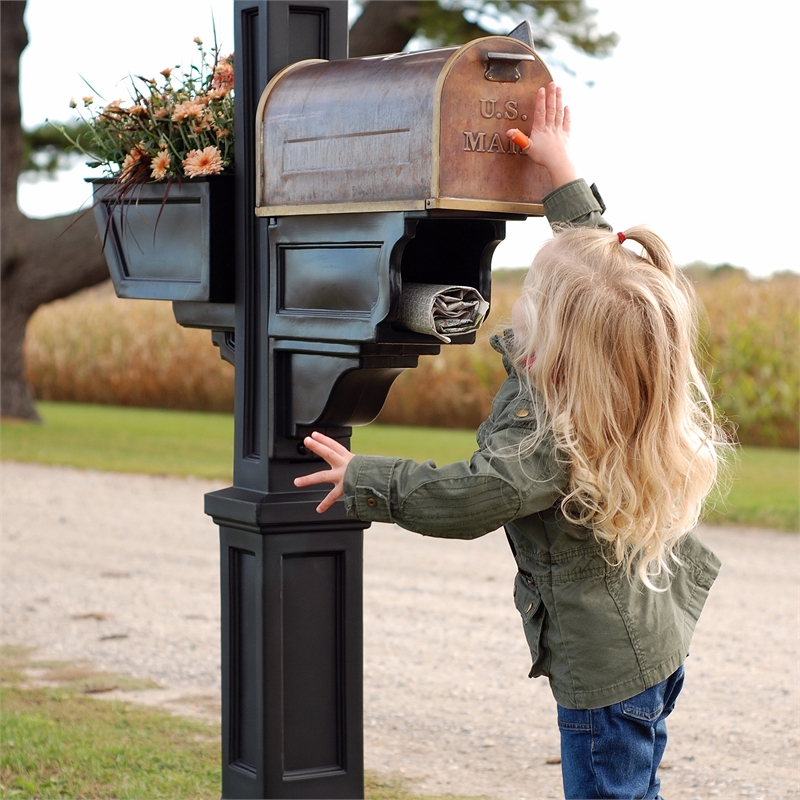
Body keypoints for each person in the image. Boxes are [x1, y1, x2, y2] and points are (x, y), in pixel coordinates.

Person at [294, 82, 728, 799]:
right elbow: (601, 272)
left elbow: (474, 495)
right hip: (650, 648)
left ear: (556, 341)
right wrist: (561, 172)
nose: (515, 304)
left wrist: (366, 478)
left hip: (606, 677)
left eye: (530, 297)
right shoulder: (618, 377)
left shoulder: (549, 437)